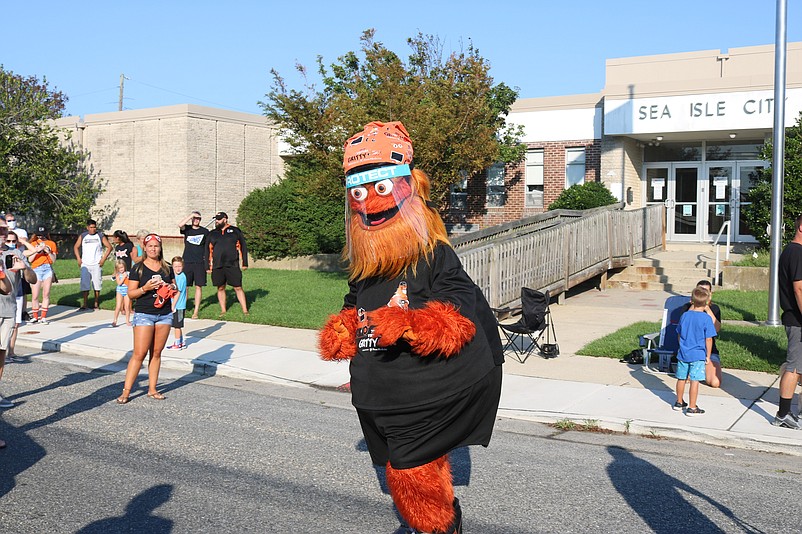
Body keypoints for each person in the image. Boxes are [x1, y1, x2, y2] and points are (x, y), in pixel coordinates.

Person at [318, 121, 503, 534]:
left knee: (409, 476)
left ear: (409, 187)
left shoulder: (434, 255)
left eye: (381, 188)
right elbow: (354, 305)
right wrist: (343, 328)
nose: (370, 203)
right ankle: (444, 521)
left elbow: (459, 314)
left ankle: (440, 527)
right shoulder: (367, 268)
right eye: (359, 193)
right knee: (417, 465)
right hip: (383, 389)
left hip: (426, 390)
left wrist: (410, 324)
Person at [116, 234, 175, 404]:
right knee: (139, 354)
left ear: (160, 248)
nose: (153, 249)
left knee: (156, 353)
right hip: (144, 315)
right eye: (150, 246)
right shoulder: (138, 268)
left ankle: (152, 389)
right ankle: (126, 392)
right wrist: (145, 288)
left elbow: (174, 286)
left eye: (156, 246)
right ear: (145, 248)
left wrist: (171, 287)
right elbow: (131, 293)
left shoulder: (167, 267)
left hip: (164, 314)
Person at [0, 220, 37, 409]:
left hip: (7, 310)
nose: (3, 232)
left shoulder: (15, 253)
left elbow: (33, 279)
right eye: (0, 229)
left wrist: (25, 268)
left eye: (5, 229)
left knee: (1, 354)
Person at [775, 214, 802, 429]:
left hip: (795, 317)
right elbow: (799, 288)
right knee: (793, 368)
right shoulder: (796, 252)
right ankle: (783, 414)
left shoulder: (792, 252)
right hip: (797, 319)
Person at [674, 286, 717, 416]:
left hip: (683, 353)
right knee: (694, 380)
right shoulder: (706, 319)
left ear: (691, 300)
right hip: (698, 354)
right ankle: (692, 407)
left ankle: (679, 402)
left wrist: (682, 346)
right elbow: (708, 339)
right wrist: (708, 355)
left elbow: (679, 334)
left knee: (681, 378)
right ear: (707, 302)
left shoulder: (685, 316)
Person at [680, 280, 722, 388]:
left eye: (705, 291)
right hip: (692, 351)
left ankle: (701, 371)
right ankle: (696, 371)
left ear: (710, 294)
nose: (702, 294)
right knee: (688, 379)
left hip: (709, 352)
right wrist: (695, 305)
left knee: (715, 383)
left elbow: (716, 329)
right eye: (700, 291)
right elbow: (682, 329)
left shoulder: (714, 309)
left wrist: (707, 308)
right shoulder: (686, 309)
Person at [207, 212, 249, 318]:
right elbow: (207, 250)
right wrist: (207, 266)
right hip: (218, 265)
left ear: (225, 219)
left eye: (219, 219)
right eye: (216, 219)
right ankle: (223, 310)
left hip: (232, 264)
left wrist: (245, 262)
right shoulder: (212, 233)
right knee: (220, 287)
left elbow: (243, 246)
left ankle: (245, 310)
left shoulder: (235, 231)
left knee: (237, 287)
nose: (217, 221)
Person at [73, 219, 112, 310]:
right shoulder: (83, 236)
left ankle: (96, 303)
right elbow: (76, 247)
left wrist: (103, 259)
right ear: (87, 227)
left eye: (94, 227)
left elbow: (109, 247)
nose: (93, 229)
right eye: (91, 227)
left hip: (96, 264)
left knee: (97, 283)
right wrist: (79, 258)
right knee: (85, 284)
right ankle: (85, 303)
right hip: (85, 264)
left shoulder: (100, 236)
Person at [178, 211, 209, 319]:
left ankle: (195, 312)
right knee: (185, 287)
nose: (196, 220)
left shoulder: (205, 231)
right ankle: (182, 309)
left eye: (198, 218)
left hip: (199, 262)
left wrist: (208, 263)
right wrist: (191, 215)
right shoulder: (187, 229)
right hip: (187, 261)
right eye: (194, 218)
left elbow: (207, 248)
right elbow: (180, 225)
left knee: (198, 286)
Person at [27, 226, 57, 325]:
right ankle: (35, 316)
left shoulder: (51, 243)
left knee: (46, 293)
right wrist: (37, 251)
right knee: (35, 295)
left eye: (43, 235)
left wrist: (48, 252)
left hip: (47, 268)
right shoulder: (33, 243)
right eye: (39, 235)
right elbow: (30, 260)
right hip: (36, 269)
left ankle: (43, 317)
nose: (41, 237)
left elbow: (53, 260)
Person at [167, 256, 187, 350]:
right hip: (176, 304)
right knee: (177, 325)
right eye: (175, 266)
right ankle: (181, 342)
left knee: (177, 326)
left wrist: (173, 305)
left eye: (179, 266)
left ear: (183, 266)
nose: (177, 268)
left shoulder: (182, 277)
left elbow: (178, 292)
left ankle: (177, 343)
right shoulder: (175, 277)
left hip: (179, 306)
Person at [111, 260, 131, 327]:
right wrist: (124, 277)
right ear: (117, 269)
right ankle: (115, 320)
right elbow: (119, 283)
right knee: (118, 306)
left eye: (122, 267)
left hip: (127, 290)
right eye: (119, 268)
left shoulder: (128, 273)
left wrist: (127, 277)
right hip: (120, 291)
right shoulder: (117, 275)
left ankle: (127, 320)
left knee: (127, 306)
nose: (121, 269)